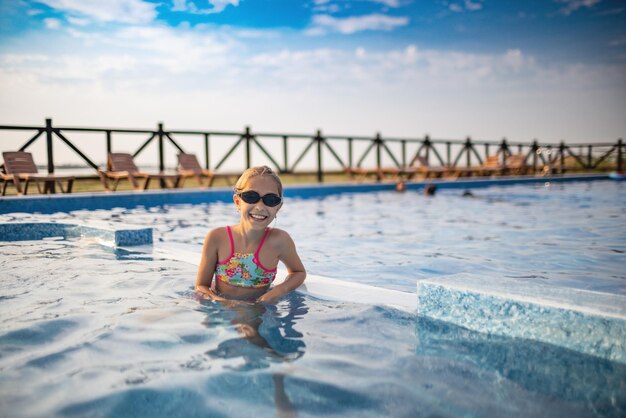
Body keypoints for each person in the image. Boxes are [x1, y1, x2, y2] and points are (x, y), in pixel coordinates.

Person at [196, 166, 306, 304]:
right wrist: (223, 303)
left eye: (271, 200)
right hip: (220, 308)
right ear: (237, 202)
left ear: (278, 207)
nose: (260, 206)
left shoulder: (280, 241)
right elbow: (201, 287)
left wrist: (278, 291)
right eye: (251, 197)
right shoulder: (217, 238)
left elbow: (298, 272)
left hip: (258, 309)